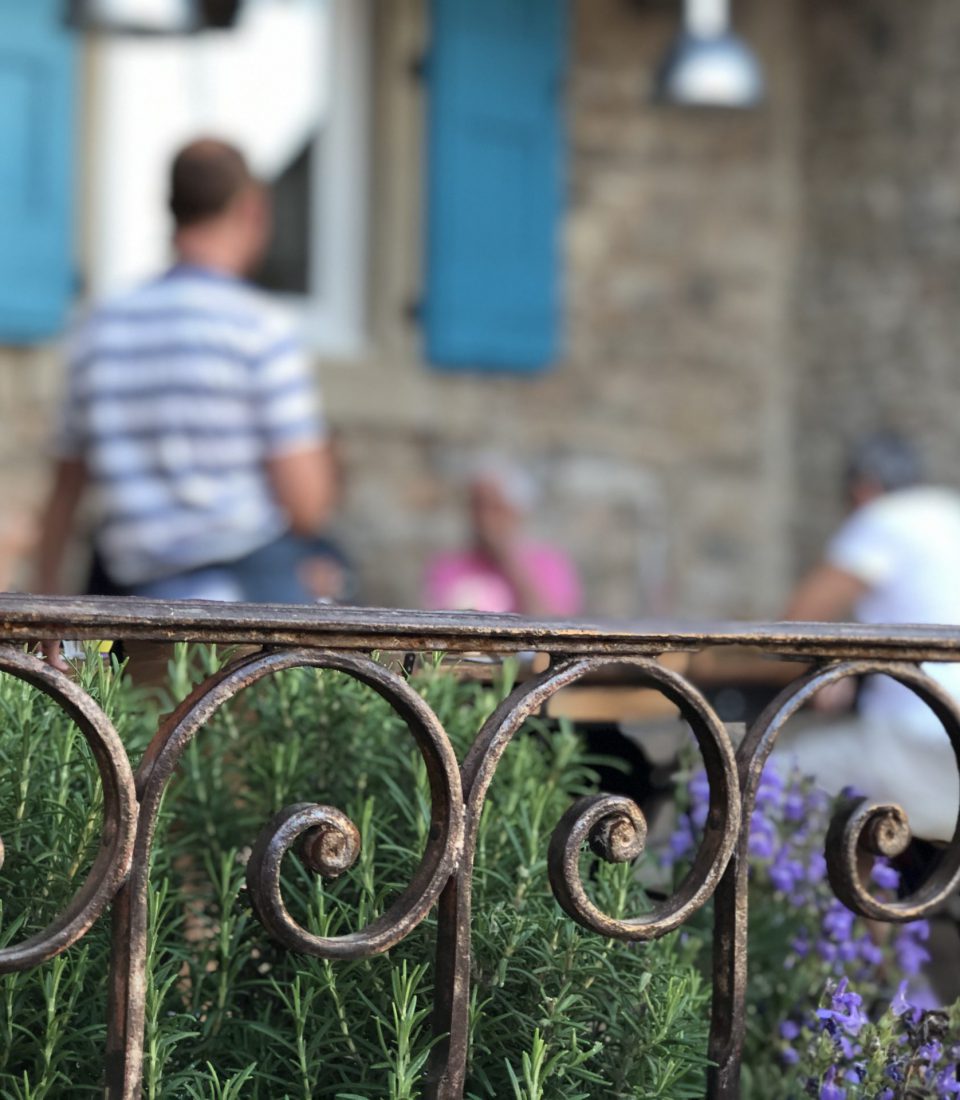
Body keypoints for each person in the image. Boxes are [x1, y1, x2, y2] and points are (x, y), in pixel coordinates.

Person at [35, 138, 336, 661]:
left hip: (129, 601)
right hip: (245, 602)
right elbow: (306, 504)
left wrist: (43, 607)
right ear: (251, 209)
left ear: (172, 208)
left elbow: (65, 492)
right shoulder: (259, 328)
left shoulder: (102, 325)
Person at [775, 433, 960, 841]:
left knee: (761, 781)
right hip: (944, 746)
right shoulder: (950, 512)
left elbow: (792, 625)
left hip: (922, 740)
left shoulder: (883, 518)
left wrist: (832, 667)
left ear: (863, 487)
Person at [423, 458, 582, 617]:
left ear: (517, 511)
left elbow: (554, 626)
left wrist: (510, 561)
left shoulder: (549, 564)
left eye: (495, 508)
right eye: (477, 507)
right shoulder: (448, 565)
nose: (484, 519)